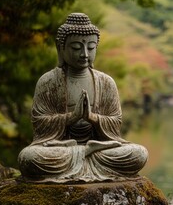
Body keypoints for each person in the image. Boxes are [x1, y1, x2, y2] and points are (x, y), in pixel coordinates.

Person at [18, 13, 148, 183]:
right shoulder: (48, 81)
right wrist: (71, 118)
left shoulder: (106, 82)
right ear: (61, 48)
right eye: (76, 47)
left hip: (98, 149)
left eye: (91, 47)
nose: (85, 54)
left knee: (138, 153)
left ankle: (83, 160)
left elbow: (115, 121)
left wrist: (91, 117)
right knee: (29, 157)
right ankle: (84, 158)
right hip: (62, 149)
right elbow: (39, 122)